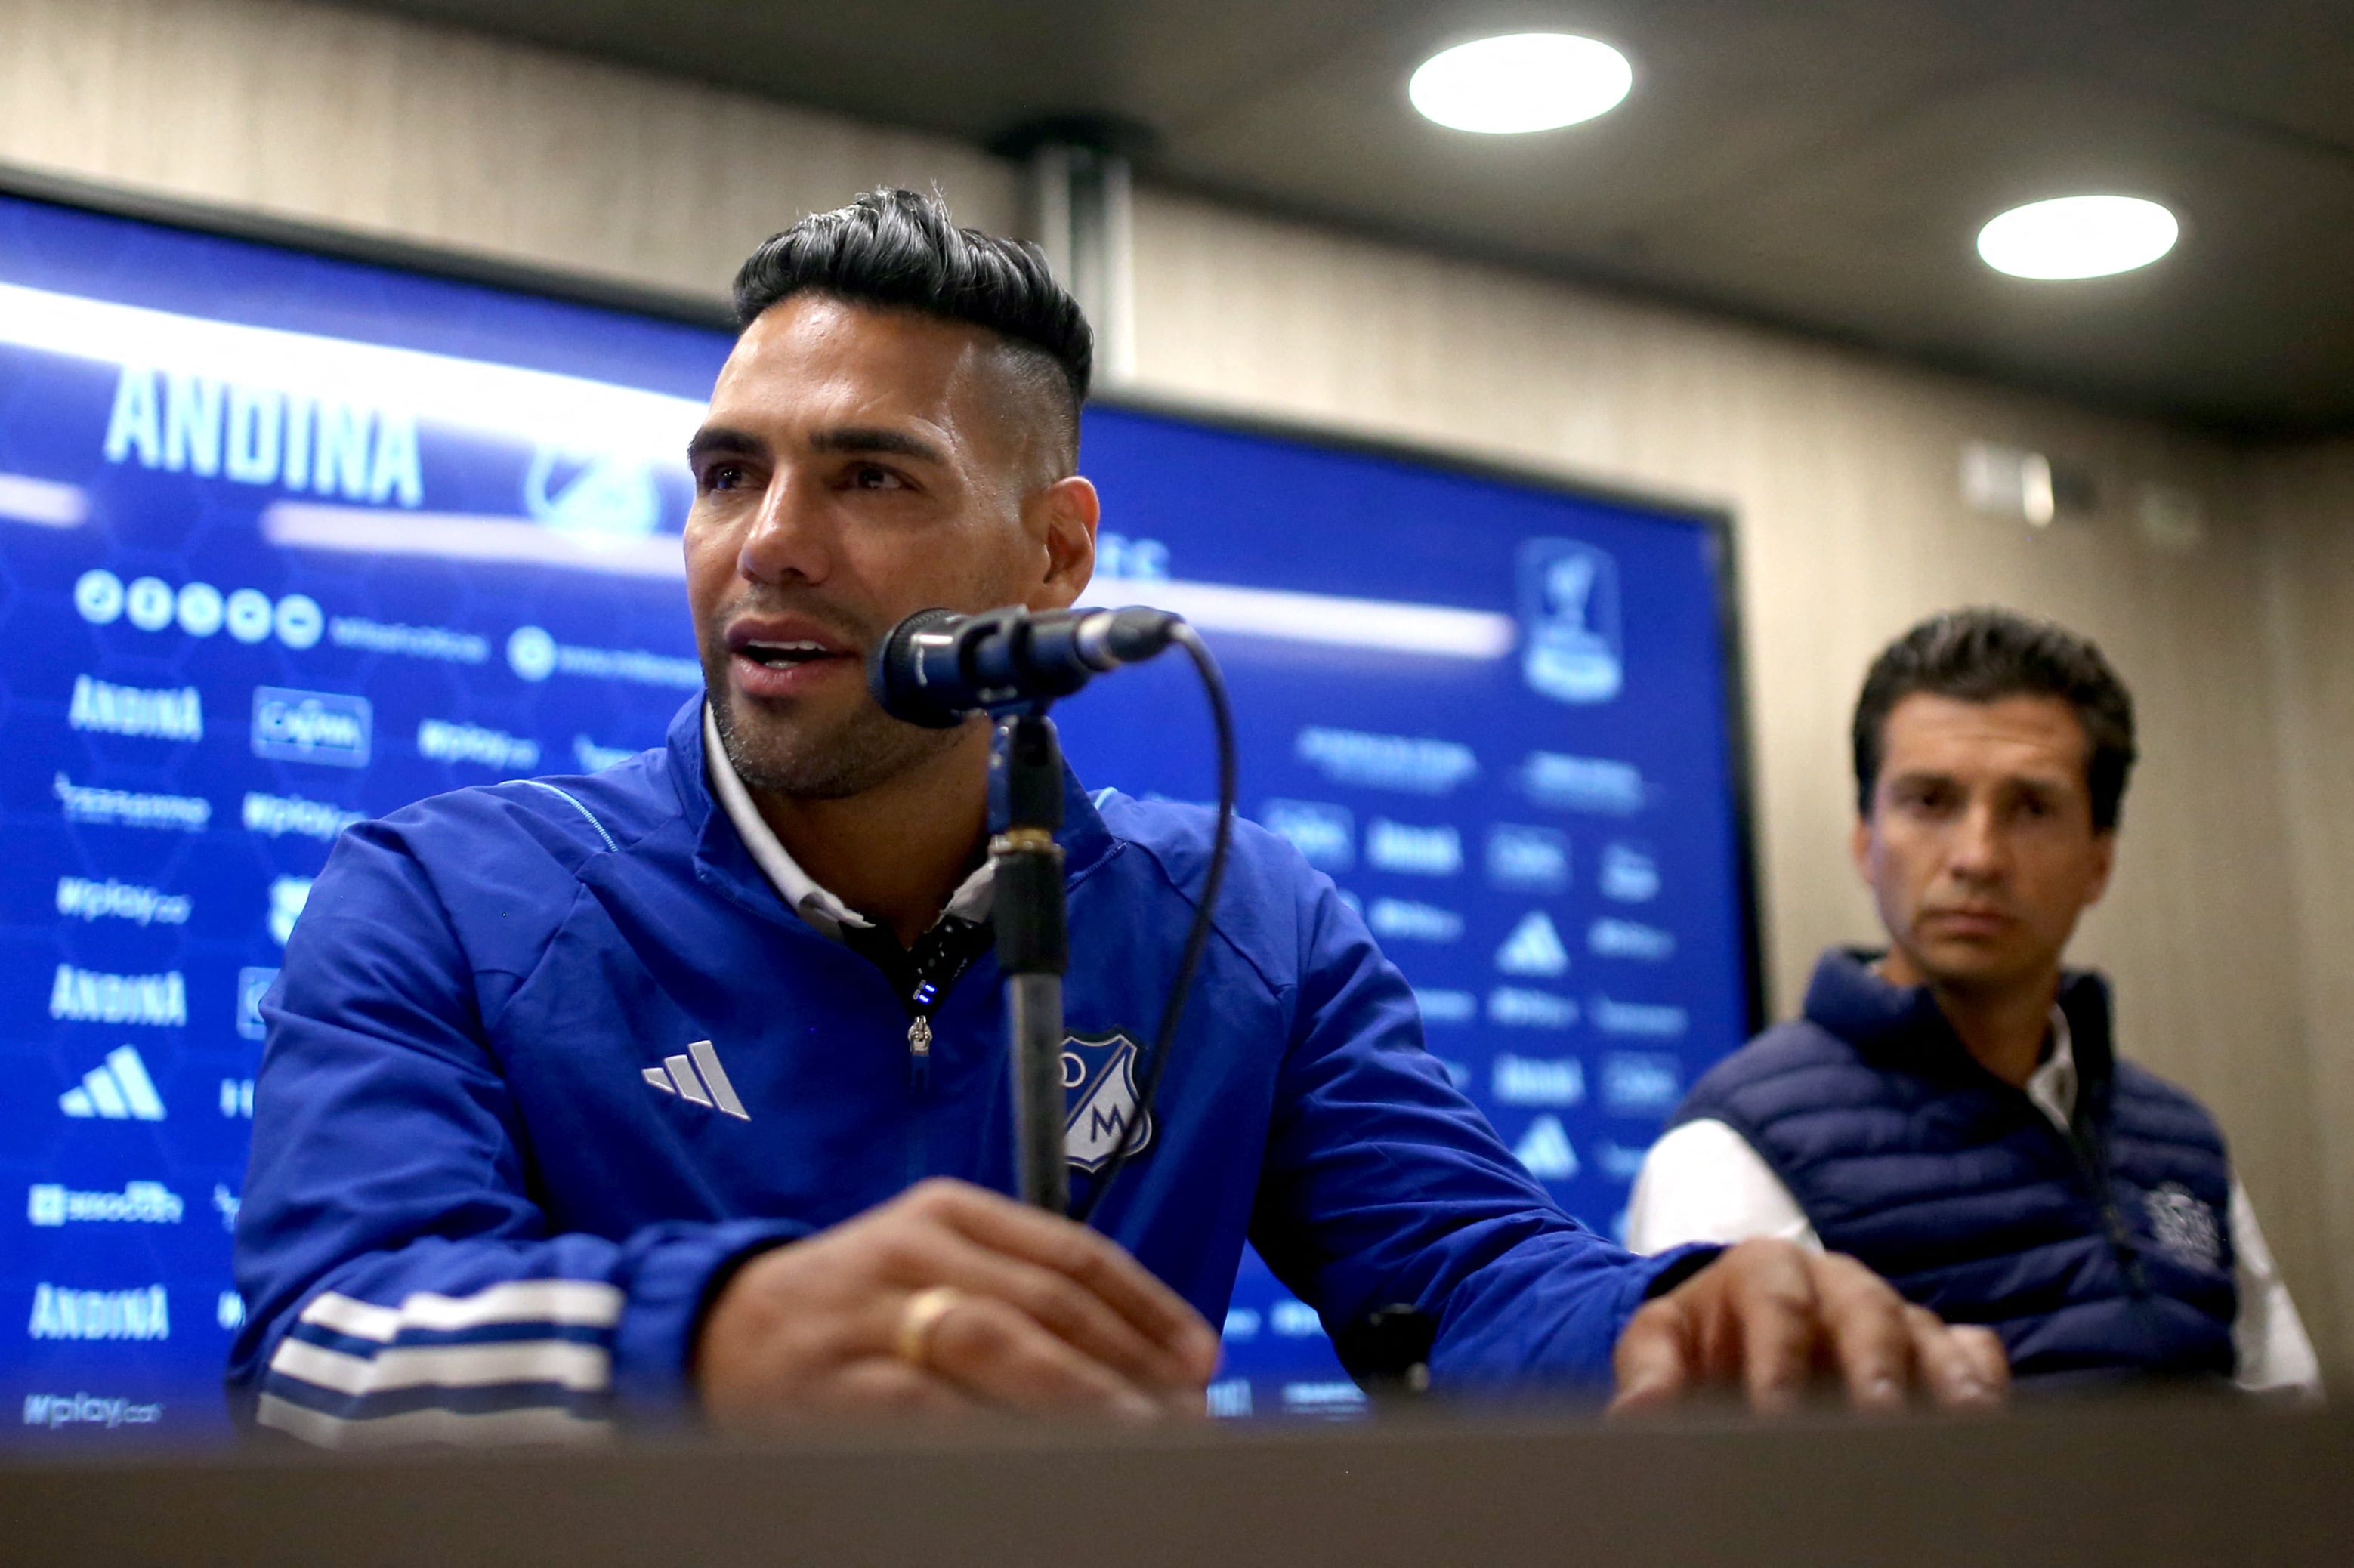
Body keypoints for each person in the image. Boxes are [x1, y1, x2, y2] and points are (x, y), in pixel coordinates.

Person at [228, 190, 2004, 1446]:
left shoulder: (1253, 928)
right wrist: (722, 1330)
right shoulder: (444, 896)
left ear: (1058, 552)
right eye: (725, 472)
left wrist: (1666, 1321)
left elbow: (1464, 1283)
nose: (766, 537)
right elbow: (319, 1356)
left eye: (867, 475)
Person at [1626, 609, 2321, 1395]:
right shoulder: (1732, 1151)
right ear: (1864, 840)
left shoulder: (2179, 1143)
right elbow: (1728, 1502)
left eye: (2029, 809)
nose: (1977, 857)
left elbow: (2290, 1451)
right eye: (1929, 802)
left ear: (2099, 860)